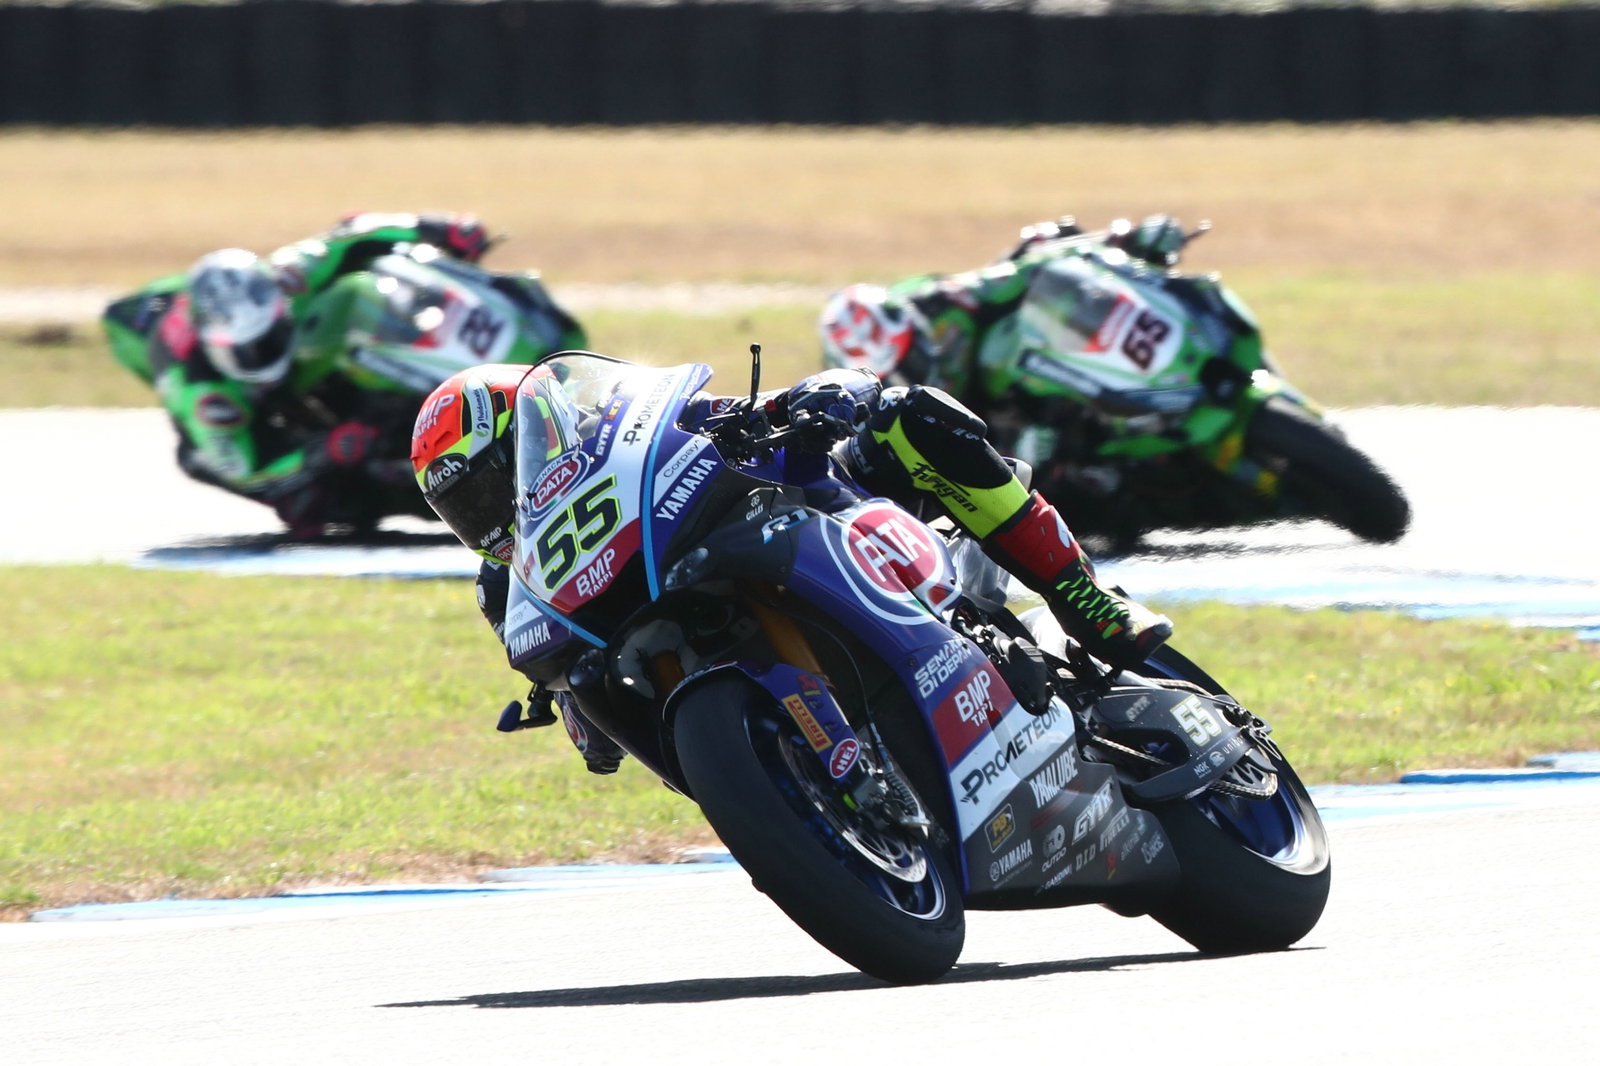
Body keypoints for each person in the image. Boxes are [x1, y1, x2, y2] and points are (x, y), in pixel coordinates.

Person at [410, 358, 1173, 776]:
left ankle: (1082, 597)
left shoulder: (620, 436)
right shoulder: (506, 584)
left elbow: (767, 403)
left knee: (912, 417)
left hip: (825, 519)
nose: (489, 515)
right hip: (712, 637)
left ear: (538, 430)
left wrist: (816, 397)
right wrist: (585, 715)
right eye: (465, 510)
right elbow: (563, 683)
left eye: (492, 482)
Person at [102, 211, 577, 537]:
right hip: (244, 447)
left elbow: (352, 232)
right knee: (312, 503)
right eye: (254, 349)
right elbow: (250, 469)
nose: (269, 349)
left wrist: (438, 227)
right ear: (218, 348)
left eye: (273, 333)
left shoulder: (284, 278)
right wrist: (327, 449)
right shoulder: (206, 395)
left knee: (373, 279)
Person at [818, 212, 1197, 404]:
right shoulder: (855, 407)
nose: (914, 376)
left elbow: (1026, 269)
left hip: (1041, 372)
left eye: (913, 359)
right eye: (896, 378)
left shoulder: (945, 300)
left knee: (1045, 237)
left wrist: (1124, 242)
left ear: (917, 326)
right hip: (989, 444)